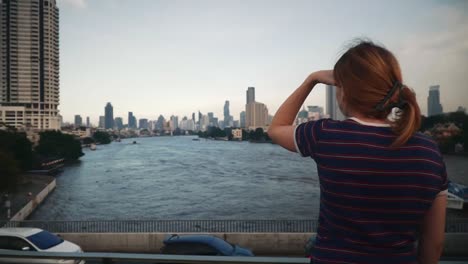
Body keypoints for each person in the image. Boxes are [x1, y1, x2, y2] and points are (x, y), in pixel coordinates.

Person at [268, 40, 447, 264]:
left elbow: (275, 129)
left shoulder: (326, 135)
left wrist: (311, 79)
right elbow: (434, 242)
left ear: (344, 92)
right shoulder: (429, 151)